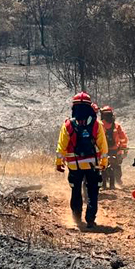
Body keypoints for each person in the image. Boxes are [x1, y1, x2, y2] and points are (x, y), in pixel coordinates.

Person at [55, 92, 109, 229]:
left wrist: (59, 163)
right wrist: (104, 162)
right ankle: (90, 219)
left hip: (74, 166)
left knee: (75, 191)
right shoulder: (97, 124)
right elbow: (103, 145)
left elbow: (61, 146)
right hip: (92, 165)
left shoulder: (67, 125)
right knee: (92, 191)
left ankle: (77, 218)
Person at [100, 106, 129, 190]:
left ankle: (117, 183)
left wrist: (123, 149)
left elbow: (123, 139)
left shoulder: (116, 126)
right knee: (103, 167)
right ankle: (104, 183)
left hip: (115, 150)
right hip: (104, 150)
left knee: (116, 166)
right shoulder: (99, 126)